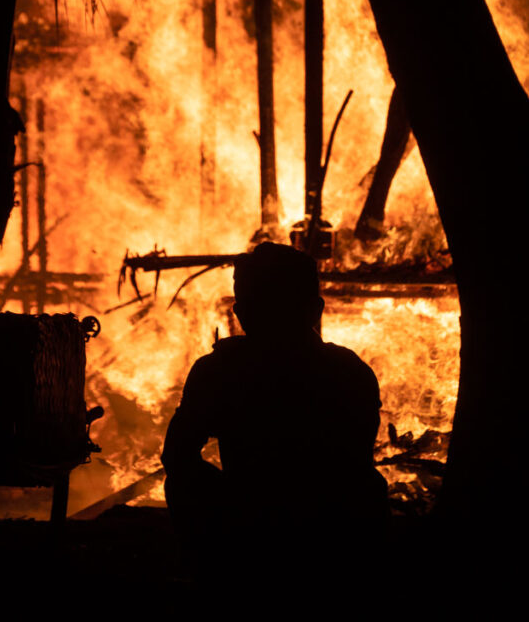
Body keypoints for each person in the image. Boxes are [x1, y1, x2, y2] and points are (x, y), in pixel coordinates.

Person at [162, 241, 389, 589]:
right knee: (368, 487)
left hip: (248, 526)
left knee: (181, 481)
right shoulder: (351, 371)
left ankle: (214, 577)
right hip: (334, 532)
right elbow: (356, 463)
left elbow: (177, 456)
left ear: (242, 313)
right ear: (316, 310)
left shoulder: (219, 370)